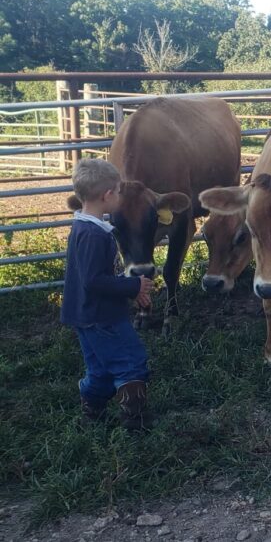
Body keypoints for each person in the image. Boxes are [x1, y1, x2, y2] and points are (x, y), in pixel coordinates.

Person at [61, 159, 154, 430]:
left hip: (86, 314)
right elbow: (93, 280)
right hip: (103, 317)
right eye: (119, 190)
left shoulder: (82, 227)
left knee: (100, 369)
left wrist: (129, 289)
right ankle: (134, 423)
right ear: (108, 195)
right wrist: (132, 286)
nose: (120, 196)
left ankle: (92, 415)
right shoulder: (94, 235)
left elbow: (92, 277)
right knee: (132, 361)